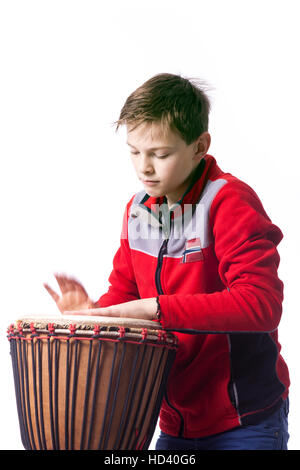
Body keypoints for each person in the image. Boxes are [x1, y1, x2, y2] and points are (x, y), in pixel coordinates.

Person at [44, 73, 290, 450]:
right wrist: (94, 312)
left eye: (160, 154)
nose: (144, 167)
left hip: (243, 421)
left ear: (199, 146)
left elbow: (261, 305)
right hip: (172, 421)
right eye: (134, 151)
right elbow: (126, 292)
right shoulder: (139, 209)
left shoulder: (230, 203)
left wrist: (155, 309)